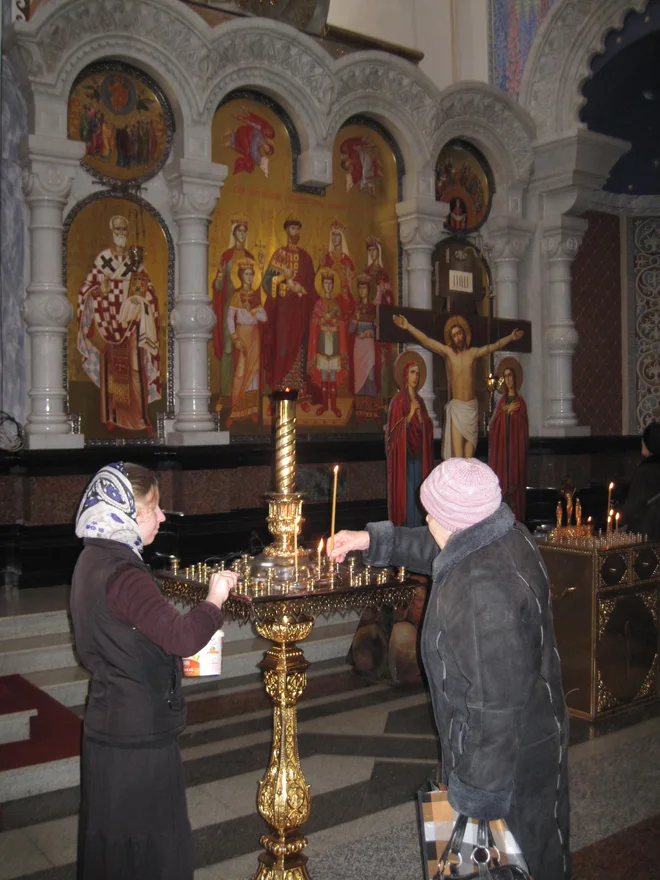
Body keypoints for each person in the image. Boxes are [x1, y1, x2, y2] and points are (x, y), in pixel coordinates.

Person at [329, 458, 570, 880]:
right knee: (539, 847)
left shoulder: (481, 589)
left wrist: (477, 798)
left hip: (505, 763)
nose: (426, 518)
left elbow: (492, 705)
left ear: (457, 521)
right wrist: (370, 541)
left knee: (513, 860)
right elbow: (437, 542)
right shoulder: (503, 536)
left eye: (432, 512)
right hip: (532, 736)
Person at [70, 462, 238, 880]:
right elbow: (181, 637)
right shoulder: (125, 575)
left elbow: (101, 644)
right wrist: (215, 599)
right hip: (138, 740)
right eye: (152, 508)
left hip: (106, 728)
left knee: (114, 850)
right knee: (150, 851)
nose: (162, 517)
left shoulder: (91, 560)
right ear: (123, 511)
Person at [392, 312, 523, 459]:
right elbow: (427, 340)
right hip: (457, 409)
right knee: (458, 458)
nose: (457, 337)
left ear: (464, 334)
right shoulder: (449, 353)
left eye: (459, 333)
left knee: (469, 458)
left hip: (472, 410)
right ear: (451, 339)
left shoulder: (472, 353)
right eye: (454, 335)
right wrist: (408, 326)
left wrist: (511, 338)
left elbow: (492, 347)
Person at [77, 214, 161, 433]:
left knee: (135, 366)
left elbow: (148, 288)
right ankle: (114, 416)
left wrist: (143, 299)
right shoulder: (103, 259)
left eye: (124, 230)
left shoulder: (135, 260)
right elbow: (87, 289)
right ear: (111, 231)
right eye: (118, 230)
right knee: (113, 369)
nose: (121, 234)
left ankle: (140, 418)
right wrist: (98, 290)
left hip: (132, 321)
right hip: (109, 322)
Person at [262, 215, 317, 409]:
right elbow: (267, 283)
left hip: (300, 312)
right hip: (283, 312)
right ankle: (278, 392)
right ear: (286, 231)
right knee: (282, 348)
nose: (295, 232)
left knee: (299, 350)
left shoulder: (306, 258)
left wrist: (305, 292)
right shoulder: (279, 255)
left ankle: (299, 394)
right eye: (292, 228)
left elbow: (313, 287)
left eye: (297, 229)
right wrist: (282, 280)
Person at [386, 352, 434, 527]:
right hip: (404, 459)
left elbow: (426, 427)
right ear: (405, 375)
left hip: (420, 457)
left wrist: (422, 422)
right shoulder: (398, 402)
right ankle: (407, 529)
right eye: (413, 372)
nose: (416, 376)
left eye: (418, 373)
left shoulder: (421, 401)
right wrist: (410, 415)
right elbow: (393, 436)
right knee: (407, 495)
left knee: (419, 492)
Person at [211, 214, 255, 402]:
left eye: (245, 231)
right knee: (229, 349)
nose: (243, 234)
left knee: (245, 349)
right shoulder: (226, 257)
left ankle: (243, 392)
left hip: (245, 311)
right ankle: (227, 393)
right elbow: (218, 287)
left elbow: (255, 286)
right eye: (239, 230)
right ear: (234, 233)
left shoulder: (250, 257)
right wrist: (220, 276)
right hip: (230, 309)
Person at [225, 259, 267, 426]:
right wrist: (234, 337)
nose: (249, 277)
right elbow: (230, 317)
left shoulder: (255, 297)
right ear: (241, 276)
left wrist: (254, 310)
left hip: (254, 336)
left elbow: (264, 318)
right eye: (246, 274)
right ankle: (236, 411)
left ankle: (252, 410)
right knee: (240, 373)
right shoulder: (236, 296)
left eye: (251, 274)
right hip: (242, 335)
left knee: (254, 373)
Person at [488, 357, 529, 522]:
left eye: (510, 375)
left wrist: (513, 414)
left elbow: (523, 427)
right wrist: (505, 413)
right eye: (505, 376)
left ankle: (517, 519)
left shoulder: (520, 402)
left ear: (515, 378)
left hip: (515, 451)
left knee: (515, 482)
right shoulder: (502, 402)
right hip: (503, 452)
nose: (508, 379)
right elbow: (495, 426)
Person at [308, 268, 349, 418]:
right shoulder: (318, 303)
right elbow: (314, 322)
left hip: (334, 343)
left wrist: (335, 324)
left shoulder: (336, 304)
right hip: (323, 343)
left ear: (333, 285)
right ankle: (325, 405)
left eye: (330, 283)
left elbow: (342, 323)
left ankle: (334, 405)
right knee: (325, 375)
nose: (328, 286)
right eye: (325, 283)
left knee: (333, 376)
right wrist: (321, 323)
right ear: (322, 285)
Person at [621, 421, 660, 539]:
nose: (642, 442)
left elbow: (633, 509)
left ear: (650, 443)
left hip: (646, 535)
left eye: (644, 439)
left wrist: (618, 514)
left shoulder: (645, 472)